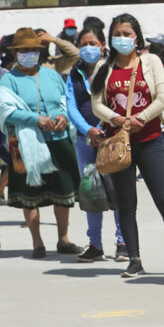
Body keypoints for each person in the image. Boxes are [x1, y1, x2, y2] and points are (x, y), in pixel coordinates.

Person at [91, 13, 164, 279]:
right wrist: (114, 118)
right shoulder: (103, 67)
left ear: (137, 36)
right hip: (118, 145)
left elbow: (163, 98)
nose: (122, 39)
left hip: (150, 141)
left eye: (127, 33)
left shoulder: (151, 61)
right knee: (126, 204)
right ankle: (135, 260)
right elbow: (97, 104)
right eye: (118, 34)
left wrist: (142, 118)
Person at [0, 28, 81, 258]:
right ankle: (37, 243)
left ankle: (63, 239)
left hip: (58, 139)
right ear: (15, 53)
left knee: (63, 191)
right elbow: (4, 109)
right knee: (30, 195)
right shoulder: (9, 79)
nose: (29, 53)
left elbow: (64, 100)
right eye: (24, 50)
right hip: (27, 143)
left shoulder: (51, 74)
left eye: (33, 49)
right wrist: (35, 119)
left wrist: (63, 116)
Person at [65, 23, 127, 262]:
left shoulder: (113, 68)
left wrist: (103, 130)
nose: (88, 48)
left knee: (117, 190)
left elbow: (116, 102)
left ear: (103, 46)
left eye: (93, 43)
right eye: (84, 44)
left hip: (111, 139)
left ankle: (123, 242)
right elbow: (71, 105)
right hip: (84, 141)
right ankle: (95, 244)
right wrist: (88, 130)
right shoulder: (74, 72)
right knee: (90, 191)